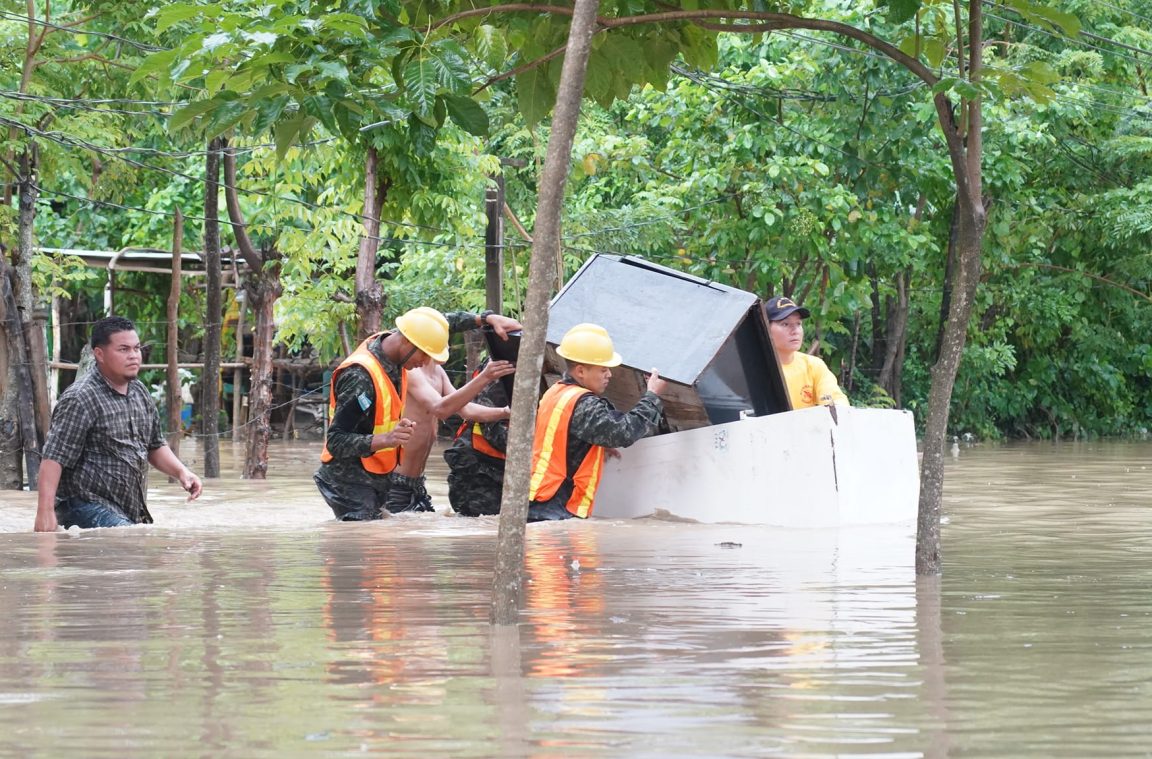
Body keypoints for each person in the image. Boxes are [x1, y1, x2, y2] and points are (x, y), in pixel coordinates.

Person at [314, 306, 521, 521]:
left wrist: (485, 318)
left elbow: (442, 322)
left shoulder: (401, 350)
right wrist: (387, 439)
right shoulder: (361, 375)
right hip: (349, 481)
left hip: (383, 480)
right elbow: (336, 441)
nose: (424, 362)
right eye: (424, 354)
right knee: (369, 546)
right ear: (407, 342)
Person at [33, 316, 203, 531]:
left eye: (136, 348)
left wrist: (182, 472)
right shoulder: (81, 398)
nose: (134, 356)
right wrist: (45, 513)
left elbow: (154, 446)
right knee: (129, 542)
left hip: (125, 510)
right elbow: (53, 459)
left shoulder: (140, 392)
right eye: (123, 349)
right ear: (99, 354)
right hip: (84, 506)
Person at [527, 323, 666, 522]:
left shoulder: (556, 391)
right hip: (555, 506)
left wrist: (593, 444)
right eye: (603, 370)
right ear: (581, 371)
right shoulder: (583, 403)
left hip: (541, 499)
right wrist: (652, 396)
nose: (609, 374)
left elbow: (563, 437)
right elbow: (623, 432)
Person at [383, 359, 514, 513]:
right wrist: (485, 376)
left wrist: (505, 412)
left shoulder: (438, 371)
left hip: (417, 483)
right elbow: (440, 408)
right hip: (396, 481)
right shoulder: (410, 371)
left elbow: (467, 411)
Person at [443, 358, 512, 517]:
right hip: (479, 471)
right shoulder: (503, 369)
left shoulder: (501, 364)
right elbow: (491, 424)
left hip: (494, 467)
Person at [764, 295, 850, 409]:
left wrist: (838, 407)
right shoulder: (753, 369)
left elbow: (836, 402)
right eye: (785, 324)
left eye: (798, 324)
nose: (795, 331)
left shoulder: (813, 365)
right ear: (765, 328)